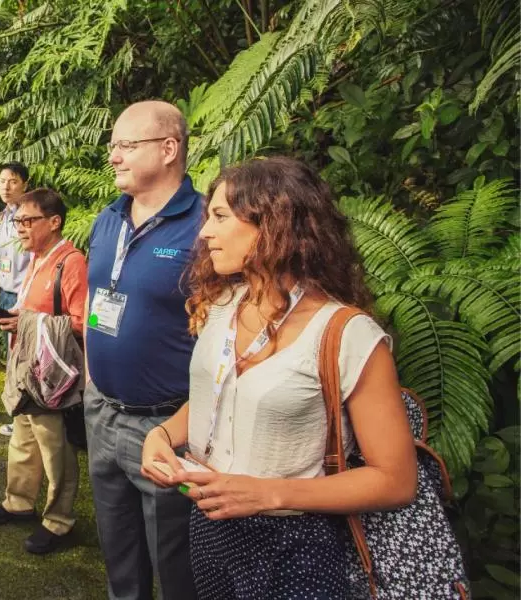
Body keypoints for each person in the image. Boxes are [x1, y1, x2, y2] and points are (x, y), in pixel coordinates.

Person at [140, 157, 417, 599]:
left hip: (296, 545)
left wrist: (268, 494)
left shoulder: (346, 334)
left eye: (220, 216)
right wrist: (162, 435)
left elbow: (396, 480)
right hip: (210, 530)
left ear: (275, 223)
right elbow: (220, 397)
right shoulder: (222, 305)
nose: (205, 232)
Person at [83, 101, 200, 599]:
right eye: (113, 147)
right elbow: (96, 298)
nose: (113, 157)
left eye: (126, 146)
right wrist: (92, 378)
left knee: (176, 563)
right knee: (119, 553)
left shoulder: (204, 226)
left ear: (169, 149)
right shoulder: (107, 219)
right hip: (101, 411)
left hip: (167, 424)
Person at [0, 189, 87, 555]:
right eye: (17, 221)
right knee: (23, 439)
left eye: (28, 220)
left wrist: (27, 321)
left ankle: (59, 521)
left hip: (52, 375)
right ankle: (19, 501)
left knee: (55, 449)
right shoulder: (38, 258)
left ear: (54, 222)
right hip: (29, 369)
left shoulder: (70, 262)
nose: (20, 228)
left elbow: (81, 322)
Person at [0, 161, 33, 438]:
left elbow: (36, 258)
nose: (6, 186)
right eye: (2, 181)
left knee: (22, 357)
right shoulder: (3, 216)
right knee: (11, 355)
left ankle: (23, 420)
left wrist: (26, 295)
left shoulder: (30, 215)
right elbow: (0, 257)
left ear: (25, 185)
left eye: (13, 181)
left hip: (23, 294)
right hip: (5, 290)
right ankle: (16, 415)